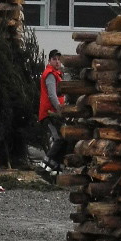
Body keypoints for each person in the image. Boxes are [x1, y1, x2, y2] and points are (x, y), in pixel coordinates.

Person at [38, 48, 68, 178]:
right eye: (54, 59)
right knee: (59, 139)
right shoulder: (50, 74)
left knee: (64, 140)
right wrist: (60, 109)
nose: (57, 62)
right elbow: (52, 95)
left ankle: (56, 170)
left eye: (59, 59)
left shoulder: (57, 74)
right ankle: (44, 167)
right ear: (49, 61)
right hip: (50, 113)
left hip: (56, 113)